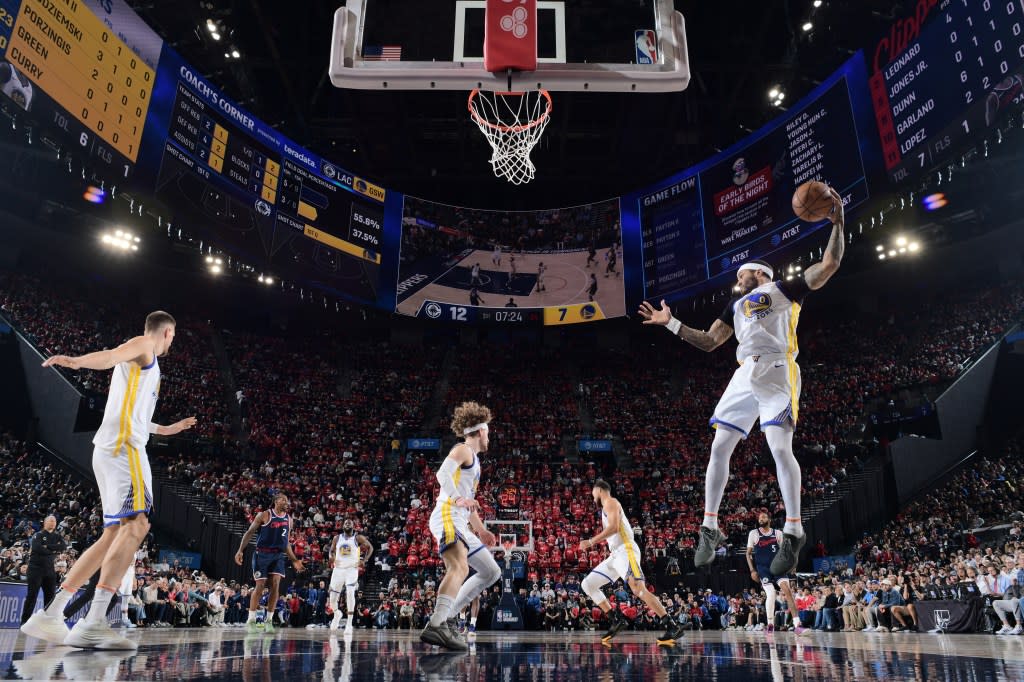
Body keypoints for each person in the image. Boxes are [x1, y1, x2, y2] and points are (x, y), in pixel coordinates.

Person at [638, 186, 845, 576]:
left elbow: (829, 263)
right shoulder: (733, 307)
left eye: (744, 272)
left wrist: (839, 221)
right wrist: (672, 324)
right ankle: (710, 526)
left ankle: (794, 531)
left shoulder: (782, 289)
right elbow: (709, 342)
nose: (739, 277)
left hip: (777, 369)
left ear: (761, 274)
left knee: (780, 449)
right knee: (719, 446)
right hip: (743, 373)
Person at [21, 311, 196, 650]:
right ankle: (94, 622)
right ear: (167, 332)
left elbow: (138, 416)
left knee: (113, 533)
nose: (171, 342)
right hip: (123, 450)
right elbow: (111, 356)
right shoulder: (145, 344)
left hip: (111, 450)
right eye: (172, 337)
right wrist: (76, 361)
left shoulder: (146, 369)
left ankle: (52, 614)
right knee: (138, 525)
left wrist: (167, 429)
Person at [420, 402, 501, 651]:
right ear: (480, 431)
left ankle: (446, 618)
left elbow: (469, 503)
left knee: (491, 572)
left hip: (462, 521)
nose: (490, 436)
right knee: (459, 566)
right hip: (447, 513)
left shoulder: (474, 461)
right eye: (488, 432)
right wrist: (457, 499)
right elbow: (442, 474)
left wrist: (482, 530)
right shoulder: (463, 449)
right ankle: (436, 624)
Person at [578, 480, 684, 646]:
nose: (592, 498)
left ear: (599, 490)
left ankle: (672, 625)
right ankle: (616, 619)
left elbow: (613, 527)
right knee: (588, 585)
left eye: (593, 494)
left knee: (638, 589)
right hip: (616, 555)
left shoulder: (610, 502)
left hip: (626, 550)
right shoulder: (607, 506)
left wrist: (590, 542)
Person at [234, 493, 305, 633]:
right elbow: (249, 532)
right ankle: (251, 619)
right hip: (262, 553)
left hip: (278, 555)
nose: (286, 502)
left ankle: (269, 621)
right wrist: (240, 550)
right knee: (260, 585)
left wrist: (294, 560)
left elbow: (286, 544)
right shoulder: (264, 515)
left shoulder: (289, 520)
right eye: (283, 499)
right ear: (276, 501)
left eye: (287, 500)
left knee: (276, 585)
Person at [746, 511, 807, 635]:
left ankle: (797, 624)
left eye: (763, 517)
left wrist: (792, 564)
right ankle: (770, 623)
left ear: (769, 519)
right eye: (759, 518)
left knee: (788, 591)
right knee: (771, 593)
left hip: (778, 567)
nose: (760, 519)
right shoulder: (754, 533)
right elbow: (748, 553)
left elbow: (787, 550)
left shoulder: (778, 533)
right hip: (763, 569)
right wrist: (752, 570)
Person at [328, 519, 373, 632]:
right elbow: (331, 551)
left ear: (354, 526)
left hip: (351, 569)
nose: (347, 523)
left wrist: (365, 560)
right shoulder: (337, 538)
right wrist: (331, 557)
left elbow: (370, 548)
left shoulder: (358, 538)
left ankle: (349, 623)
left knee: (350, 592)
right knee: (332, 599)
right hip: (338, 569)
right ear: (342, 526)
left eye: (350, 522)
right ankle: (337, 613)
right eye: (345, 522)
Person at [20, 516, 66, 625]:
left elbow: (63, 546)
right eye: (50, 520)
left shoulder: (58, 536)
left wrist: (47, 547)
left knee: (50, 598)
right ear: (45, 523)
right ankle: (24, 622)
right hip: (35, 569)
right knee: (32, 596)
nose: (53, 522)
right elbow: (37, 548)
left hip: (50, 570)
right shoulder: (39, 535)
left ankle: (46, 623)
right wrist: (53, 550)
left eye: (54, 520)